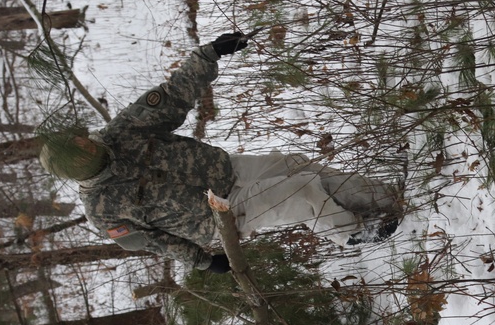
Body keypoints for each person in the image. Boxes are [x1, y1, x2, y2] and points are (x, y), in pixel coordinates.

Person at [39, 32, 404, 274]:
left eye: (83, 138)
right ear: (81, 165)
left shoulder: (120, 134)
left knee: (299, 166)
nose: (90, 140)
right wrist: (202, 261)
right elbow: (155, 243)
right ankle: (354, 234)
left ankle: (387, 196)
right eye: (83, 146)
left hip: (225, 168)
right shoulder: (103, 211)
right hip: (219, 213)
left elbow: (174, 94)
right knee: (304, 190)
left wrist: (209, 53)